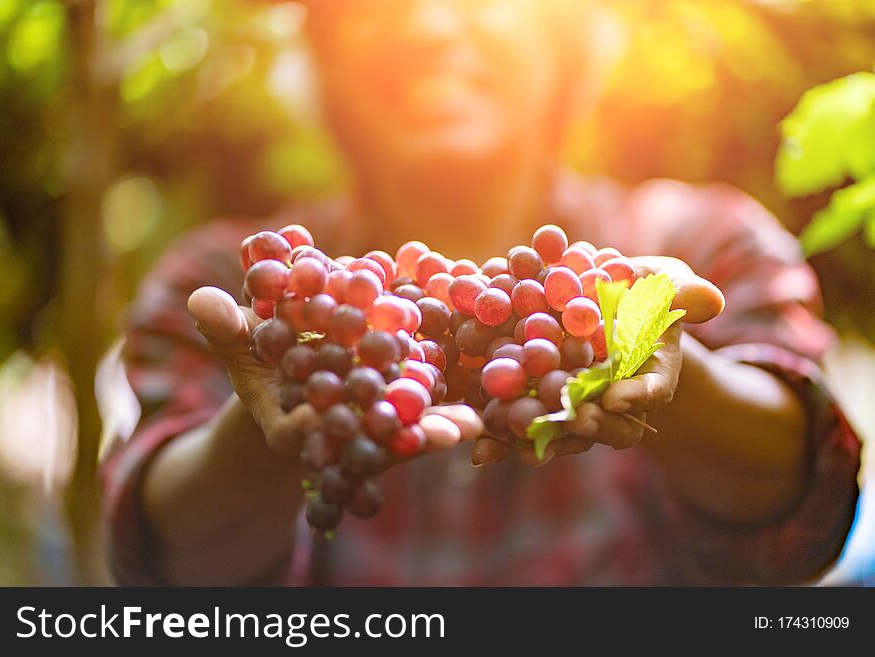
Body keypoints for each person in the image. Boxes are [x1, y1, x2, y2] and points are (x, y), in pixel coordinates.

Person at [100, 0, 860, 585]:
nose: (431, 24)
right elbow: (172, 570)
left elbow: (797, 518)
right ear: (325, 57)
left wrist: (665, 371)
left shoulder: (703, 244)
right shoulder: (236, 283)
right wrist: (267, 432)